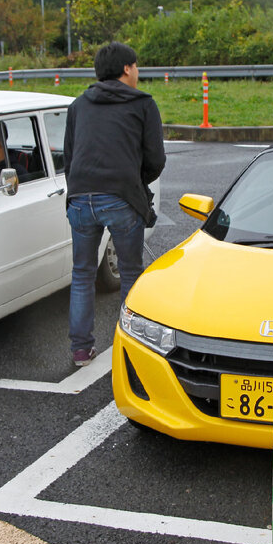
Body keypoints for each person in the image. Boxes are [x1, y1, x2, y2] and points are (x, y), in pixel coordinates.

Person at [63, 42, 166, 366]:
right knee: (132, 272)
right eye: (136, 67)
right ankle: (129, 347)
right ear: (126, 69)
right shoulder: (143, 104)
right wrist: (135, 181)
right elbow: (156, 160)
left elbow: (69, 155)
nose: (137, 72)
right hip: (121, 197)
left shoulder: (79, 104)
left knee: (82, 273)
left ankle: (80, 349)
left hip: (80, 196)